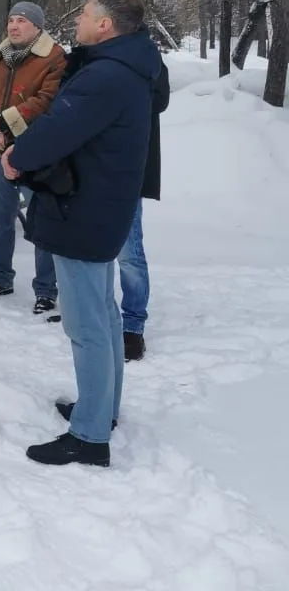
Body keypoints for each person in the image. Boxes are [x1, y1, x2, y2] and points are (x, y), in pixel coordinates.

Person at [3, 0, 161, 468]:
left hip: (84, 210)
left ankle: (90, 435)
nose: (78, 19)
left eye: (86, 13)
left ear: (106, 24)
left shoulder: (107, 76)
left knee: (87, 324)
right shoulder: (129, 66)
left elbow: (56, 130)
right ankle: (102, 408)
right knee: (105, 318)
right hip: (100, 207)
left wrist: (17, 156)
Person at [0, 1, 66, 313]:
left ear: (37, 27)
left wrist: (6, 124)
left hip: (33, 151)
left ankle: (46, 289)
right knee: (0, 220)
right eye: (11, 20)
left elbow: (47, 101)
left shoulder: (53, 57)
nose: (13, 26)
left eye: (22, 21)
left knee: (40, 222)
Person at [119, 52, 170, 361]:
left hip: (128, 171)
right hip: (91, 171)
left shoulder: (146, 57)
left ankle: (133, 326)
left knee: (129, 252)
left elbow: (159, 101)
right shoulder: (92, 54)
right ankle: (95, 317)